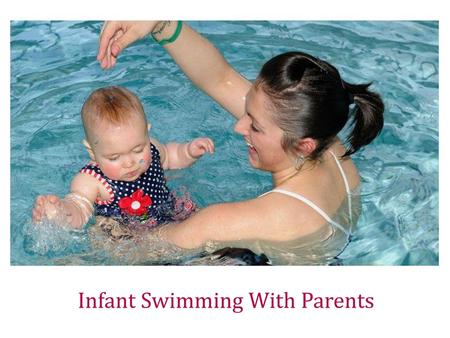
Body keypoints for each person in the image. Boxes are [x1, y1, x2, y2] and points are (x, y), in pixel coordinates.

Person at [96, 21, 384, 264]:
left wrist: (101, 220)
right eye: (247, 110)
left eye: (255, 126)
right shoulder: (331, 143)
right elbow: (222, 80)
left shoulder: (251, 218)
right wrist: (160, 23)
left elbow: (133, 249)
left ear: (303, 145)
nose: (238, 126)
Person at [32, 86, 214, 231]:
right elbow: (79, 207)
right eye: (114, 157)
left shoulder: (152, 149)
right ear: (92, 152)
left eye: (137, 149)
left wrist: (189, 151)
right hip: (126, 235)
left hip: (169, 213)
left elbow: (172, 156)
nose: (129, 162)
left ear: (147, 134)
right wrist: (62, 212)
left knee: (206, 225)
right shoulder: (90, 180)